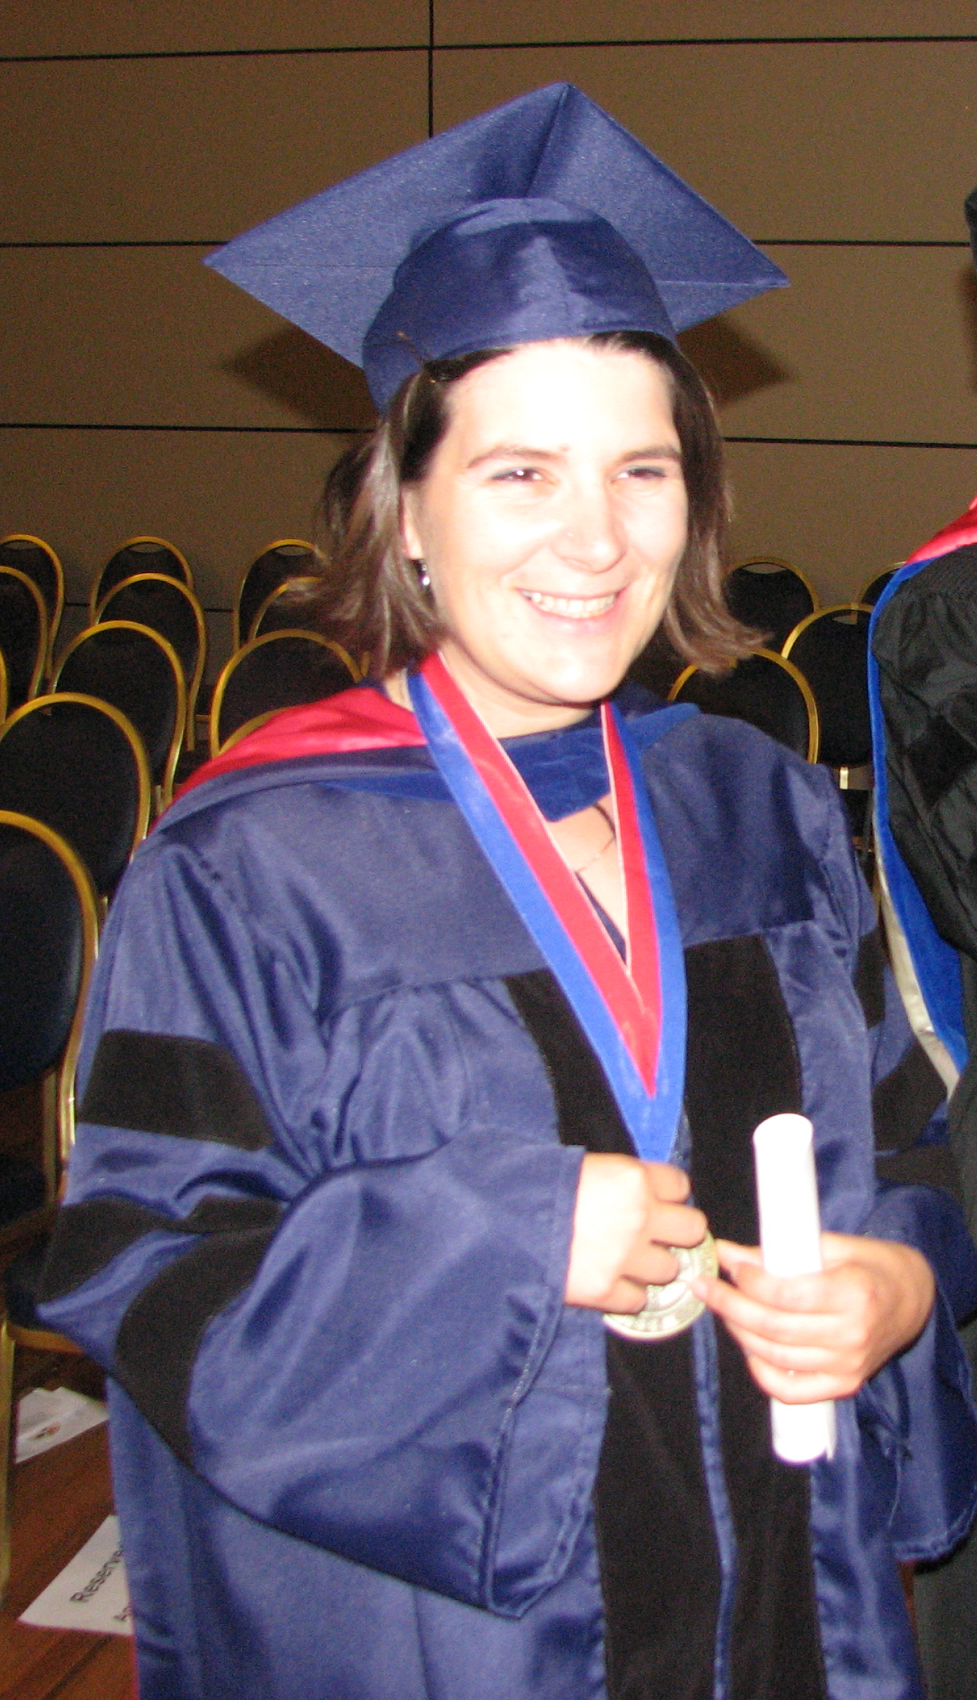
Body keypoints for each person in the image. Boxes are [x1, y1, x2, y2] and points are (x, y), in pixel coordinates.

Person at [39, 85, 977, 1700]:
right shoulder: (251, 864)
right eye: (520, 473)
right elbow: (144, 1269)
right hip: (457, 1646)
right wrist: (505, 1239)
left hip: (785, 1615)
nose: (596, 541)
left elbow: (911, 1142)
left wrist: (900, 1278)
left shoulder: (753, 806)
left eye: (643, 471)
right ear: (404, 509)